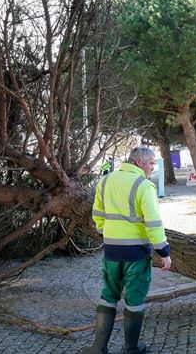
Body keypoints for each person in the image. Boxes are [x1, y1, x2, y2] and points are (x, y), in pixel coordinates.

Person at [83, 147, 172, 354]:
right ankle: (132, 348)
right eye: (151, 163)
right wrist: (164, 252)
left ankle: (98, 347)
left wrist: (107, 233)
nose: (152, 167)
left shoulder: (104, 181)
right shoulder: (144, 186)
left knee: (108, 295)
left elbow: (97, 214)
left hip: (111, 251)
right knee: (135, 299)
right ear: (140, 163)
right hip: (136, 254)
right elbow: (153, 223)